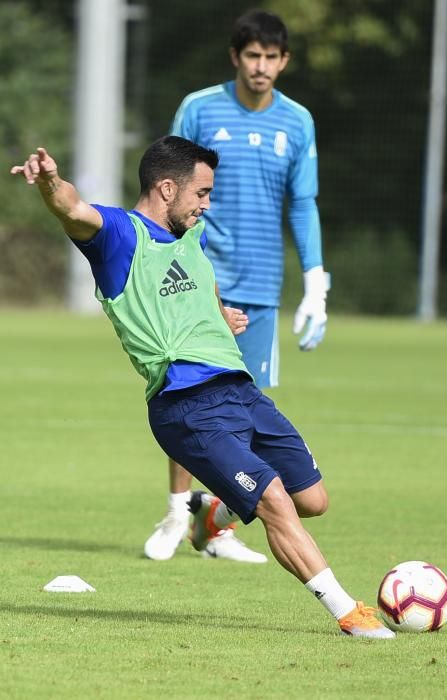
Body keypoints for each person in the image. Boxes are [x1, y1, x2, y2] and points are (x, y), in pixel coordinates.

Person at [11, 137, 394, 639]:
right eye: (202, 193)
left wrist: (217, 315)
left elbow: (200, 282)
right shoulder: (121, 236)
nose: (206, 204)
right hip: (186, 406)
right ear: (166, 188)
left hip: (241, 392)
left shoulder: (194, 235)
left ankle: (213, 512)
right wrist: (48, 183)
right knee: (276, 500)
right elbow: (73, 208)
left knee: (313, 500)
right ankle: (348, 612)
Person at [144, 8, 330, 563]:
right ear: (236, 56)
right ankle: (179, 513)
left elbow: (302, 202)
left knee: (241, 410)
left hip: (262, 284)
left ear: (285, 61)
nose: (262, 67)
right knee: (192, 392)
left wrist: (316, 281)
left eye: (272, 57)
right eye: (253, 55)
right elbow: (167, 188)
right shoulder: (200, 108)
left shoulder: (297, 121)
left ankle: (214, 523)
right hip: (196, 279)